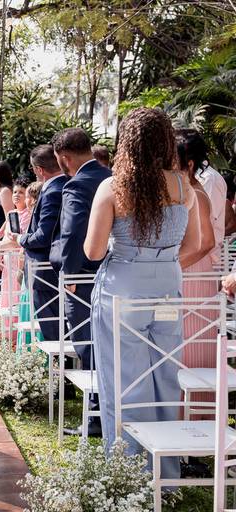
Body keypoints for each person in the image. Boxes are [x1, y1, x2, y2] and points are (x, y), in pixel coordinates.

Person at [85, 107, 199, 483]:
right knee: (166, 375)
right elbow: (195, 244)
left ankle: (129, 472)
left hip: (122, 289)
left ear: (127, 144)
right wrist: (160, 261)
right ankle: (165, 472)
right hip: (167, 289)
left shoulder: (112, 187)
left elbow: (93, 251)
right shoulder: (183, 186)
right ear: (165, 142)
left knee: (123, 380)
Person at [49, 127, 112, 437]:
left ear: (64, 157)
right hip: (112, 271)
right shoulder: (111, 177)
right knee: (109, 345)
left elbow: (73, 232)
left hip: (84, 277)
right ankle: (107, 411)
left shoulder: (77, 185)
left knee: (87, 344)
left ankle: (96, 417)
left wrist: (70, 273)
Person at [177, 133, 217, 420]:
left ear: (189, 164)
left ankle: (195, 419)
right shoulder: (184, 191)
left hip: (194, 275)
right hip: (187, 271)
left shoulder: (197, 194)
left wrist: (173, 266)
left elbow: (206, 243)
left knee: (192, 345)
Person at [17, 145, 67, 342]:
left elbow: (43, 235)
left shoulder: (54, 190)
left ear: (39, 169)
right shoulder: (65, 185)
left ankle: (58, 363)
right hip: (54, 269)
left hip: (45, 271)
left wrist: (21, 239)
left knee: (53, 332)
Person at [180, 129, 226, 269]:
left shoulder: (209, 179)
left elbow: (206, 238)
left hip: (197, 262)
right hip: (192, 260)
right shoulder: (190, 184)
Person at [0, 178, 33, 342]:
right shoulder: (12, 214)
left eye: (21, 192)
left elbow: (18, 240)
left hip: (18, 261)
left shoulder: (28, 215)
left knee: (16, 298)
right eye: (15, 192)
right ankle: (7, 335)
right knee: (7, 297)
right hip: (7, 263)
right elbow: (5, 237)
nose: (16, 195)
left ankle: (17, 337)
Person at [16, 181, 43, 353]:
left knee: (30, 310)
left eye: (26, 196)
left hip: (31, 270)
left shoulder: (34, 217)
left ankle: (29, 352)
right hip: (31, 269)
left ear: (32, 199)